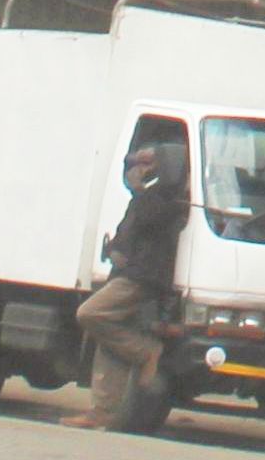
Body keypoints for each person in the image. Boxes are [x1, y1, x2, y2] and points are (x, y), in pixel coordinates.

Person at [68, 140, 187, 430]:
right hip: (128, 271)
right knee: (109, 338)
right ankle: (102, 411)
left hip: (141, 277)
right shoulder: (155, 193)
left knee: (90, 314)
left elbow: (148, 218)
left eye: (149, 164)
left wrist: (138, 188)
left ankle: (146, 351)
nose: (141, 169)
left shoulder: (170, 197)